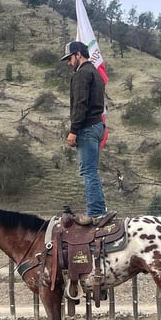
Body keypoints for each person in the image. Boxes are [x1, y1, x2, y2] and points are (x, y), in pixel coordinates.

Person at [60, 40, 107, 226]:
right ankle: (99, 208)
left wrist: (73, 130)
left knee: (87, 171)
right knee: (92, 171)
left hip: (87, 127)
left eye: (70, 58)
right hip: (98, 126)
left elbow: (80, 104)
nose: (69, 63)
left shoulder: (81, 74)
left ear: (78, 54)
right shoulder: (96, 73)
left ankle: (95, 212)